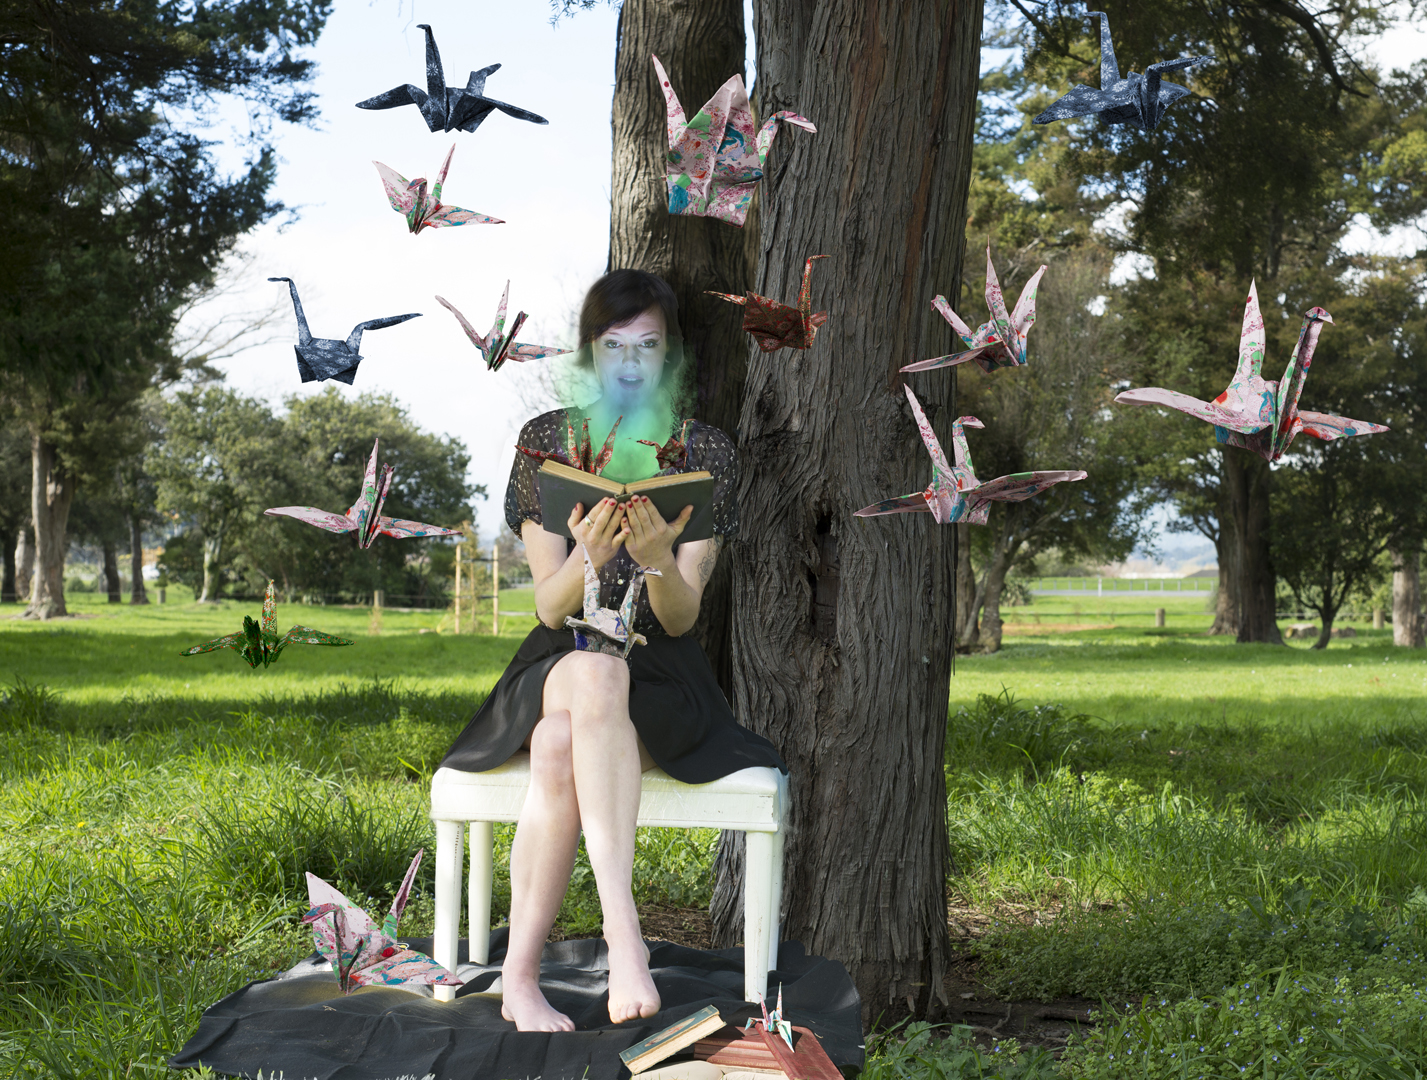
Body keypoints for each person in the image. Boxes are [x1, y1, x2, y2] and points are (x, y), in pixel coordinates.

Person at [438, 269, 785, 1032]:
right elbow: (548, 606)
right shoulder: (546, 443)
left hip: (659, 673)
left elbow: (682, 618)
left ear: (670, 356)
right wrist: (588, 559)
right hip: (557, 661)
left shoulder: (705, 451)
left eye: (647, 346)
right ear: (590, 353)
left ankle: (519, 979)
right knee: (591, 676)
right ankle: (624, 935)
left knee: (559, 744)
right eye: (613, 345)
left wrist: (657, 558)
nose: (630, 363)